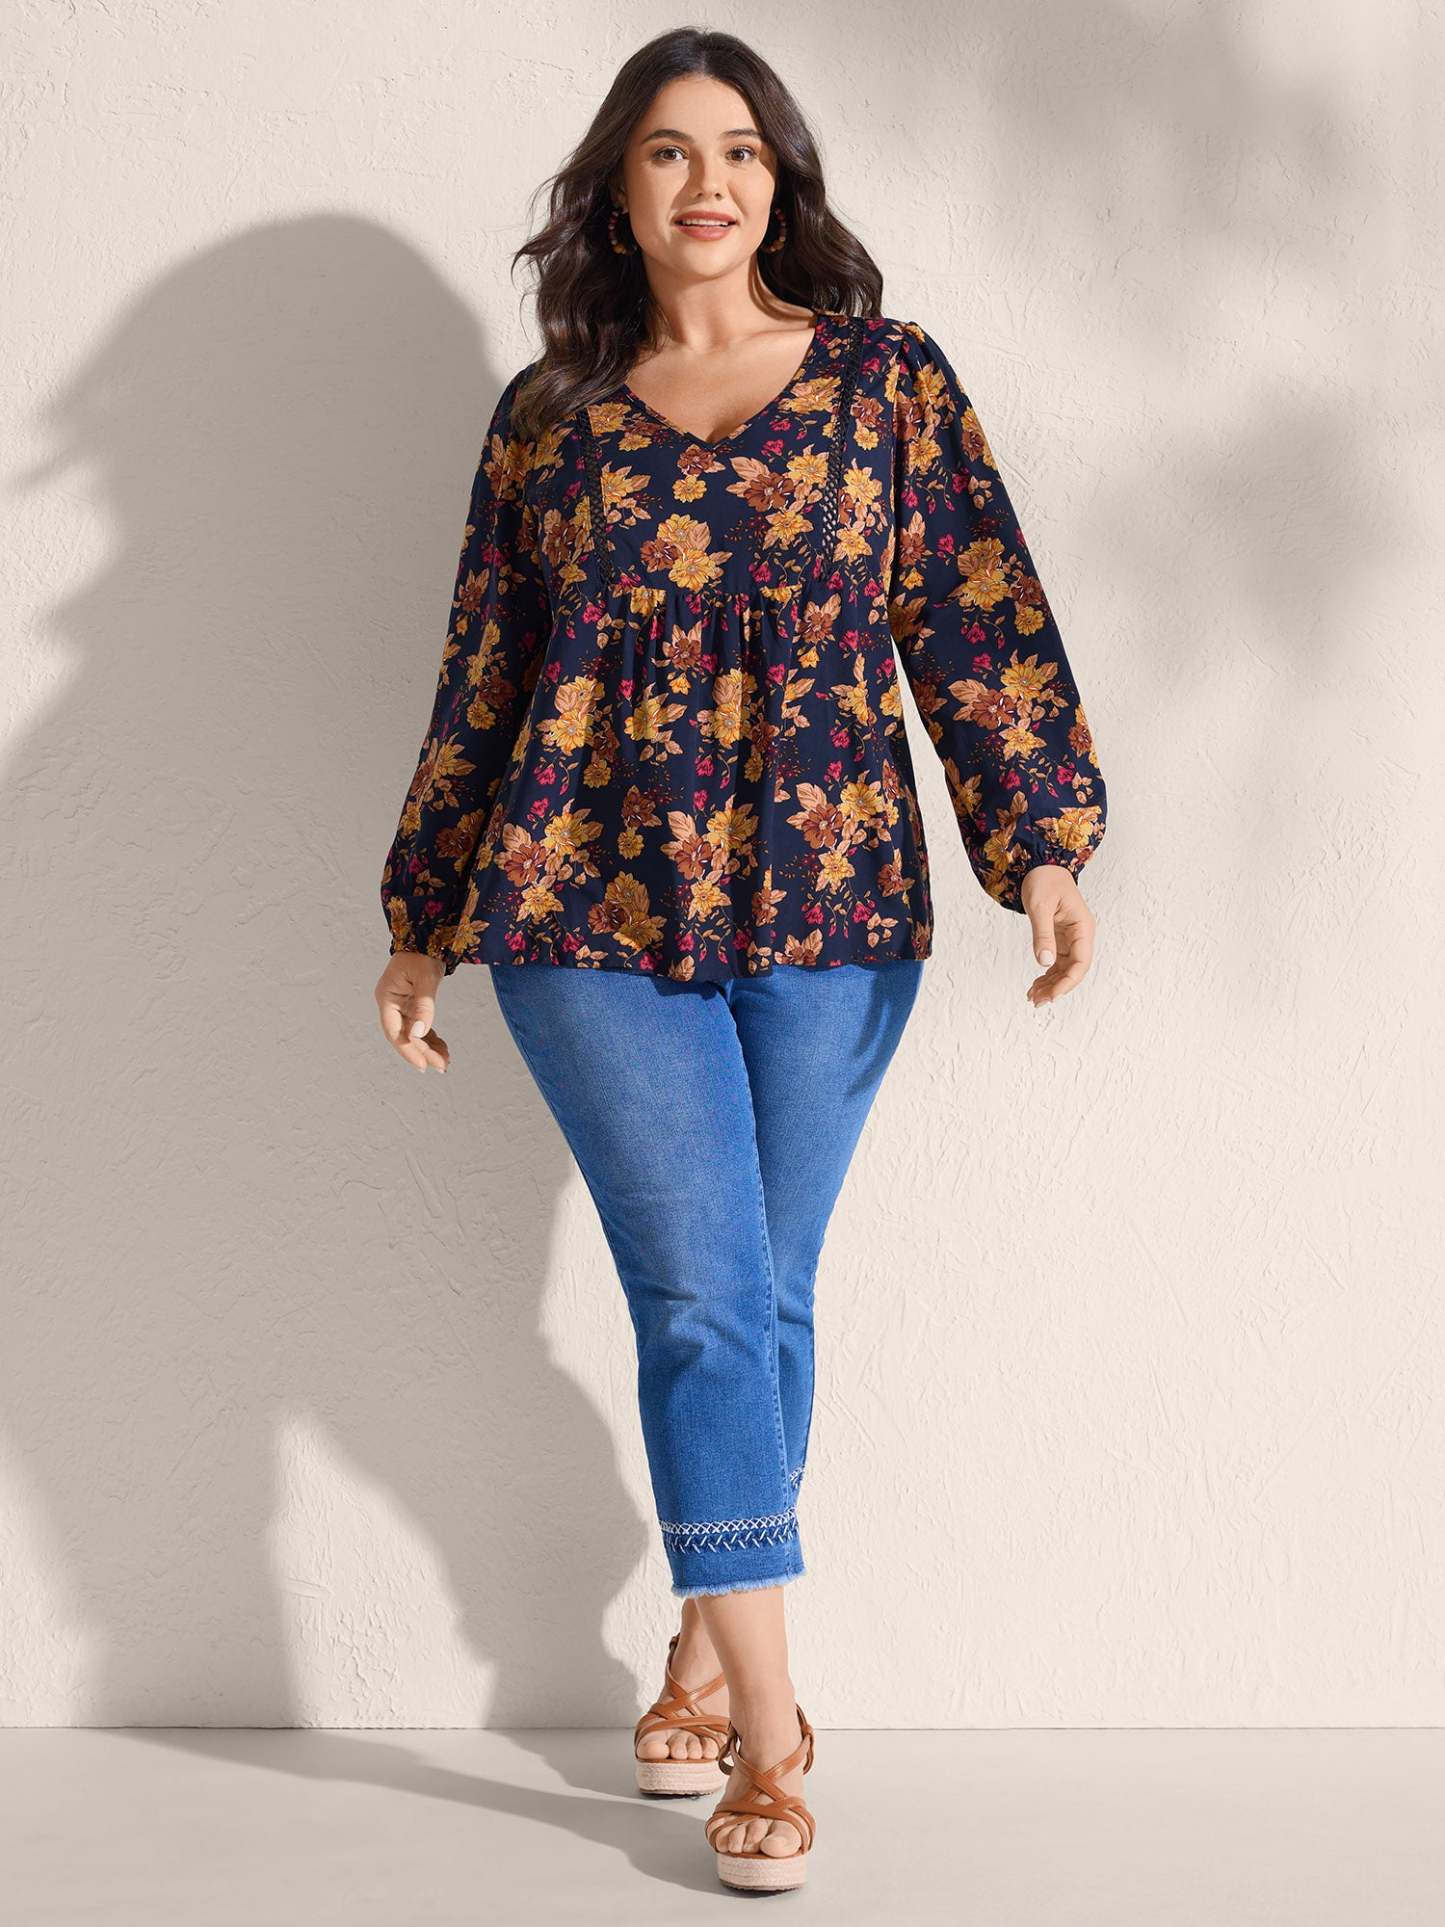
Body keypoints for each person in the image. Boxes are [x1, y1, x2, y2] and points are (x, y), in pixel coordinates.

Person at [374, 26, 1107, 1897]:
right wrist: (421, 907)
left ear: (780, 183)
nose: (706, 182)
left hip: (830, 900)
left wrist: (1036, 843)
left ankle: (703, 1642)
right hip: (578, 905)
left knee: (765, 1295)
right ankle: (774, 1740)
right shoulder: (549, 415)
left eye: (740, 151)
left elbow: (973, 616)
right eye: (666, 151)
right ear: (614, 192)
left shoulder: (882, 381)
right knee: (701, 1297)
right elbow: (484, 666)